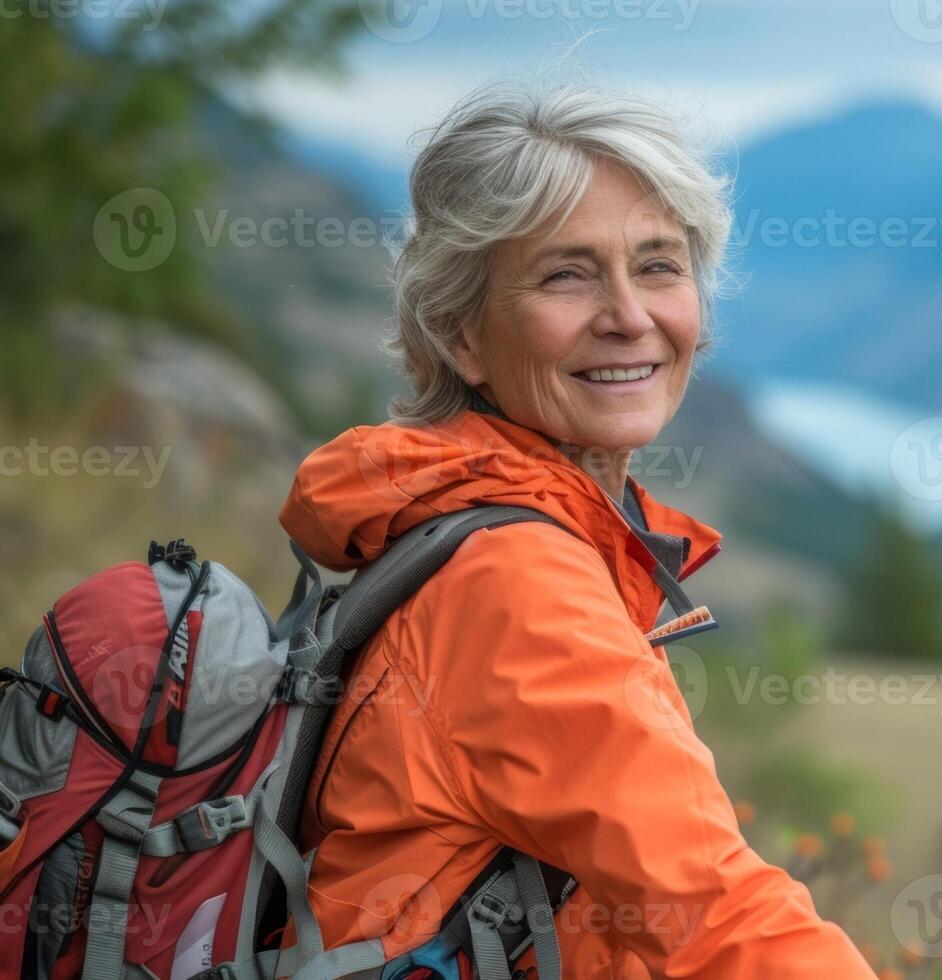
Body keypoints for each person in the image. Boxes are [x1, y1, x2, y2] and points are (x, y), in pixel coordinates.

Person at [276, 80, 876, 979]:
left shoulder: (469, 519)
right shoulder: (515, 582)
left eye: (659, 265)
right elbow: (718, 923)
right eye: (567, 273)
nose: (630, 316)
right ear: (461, 335)